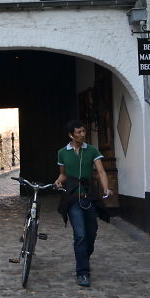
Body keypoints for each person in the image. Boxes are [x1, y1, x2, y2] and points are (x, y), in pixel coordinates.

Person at [54, 119, 112, 288]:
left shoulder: (92, 150)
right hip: (73, 199)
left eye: (83, 131)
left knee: (91, 234)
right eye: (78, 132)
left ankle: (84, 257)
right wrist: (58, 181)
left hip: (90, 197)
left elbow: (101, 171)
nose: (82, 134)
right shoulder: (62, 153)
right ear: (71, 135)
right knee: (80, 235)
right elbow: (63, 174)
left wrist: (106, 188)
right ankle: (83, 273)